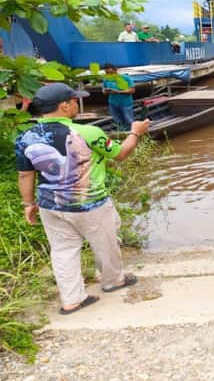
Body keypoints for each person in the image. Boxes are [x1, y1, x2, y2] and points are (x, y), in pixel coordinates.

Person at [15, 83, 151, 314]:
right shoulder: (87, 133)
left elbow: (25, 174)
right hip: (89, 204)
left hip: (50, 205)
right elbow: (121, 154)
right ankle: (112, 281)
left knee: (63, 251)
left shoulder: (25, 138)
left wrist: (29, 204)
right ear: (64, 105)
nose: (77, 103)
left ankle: (71, 300)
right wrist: (135, 132)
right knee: (105, 242)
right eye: (74, 100)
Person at [102, 63, 136, 131]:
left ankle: (132, 134)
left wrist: (118, 92)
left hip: (125, 104)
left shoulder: (126, 78)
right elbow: (103, 90)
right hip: (113, 103)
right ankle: (121, 134)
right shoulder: (106, 79)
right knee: (117, 121)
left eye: (110, 73)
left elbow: (132, 90)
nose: (109, 75)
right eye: (107, 73)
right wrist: (106, 91)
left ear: (115, 70)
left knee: (129, 120)